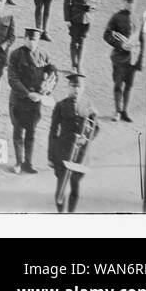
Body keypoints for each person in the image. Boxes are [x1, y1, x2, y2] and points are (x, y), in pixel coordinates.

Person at [47, 71, 99, 213]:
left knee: (75, 187)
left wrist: (86, 138)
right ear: (68, 87)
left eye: (79, 87)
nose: (76, 90)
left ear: (82, 89)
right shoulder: (60, 106)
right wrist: (50, 156)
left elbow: (96, 128)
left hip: (80, 154)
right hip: (62, 152)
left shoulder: (88, 107)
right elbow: (53, 131)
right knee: (60, 188)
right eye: (73, 86)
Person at [7, 27, 52, 174]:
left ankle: (29, 163)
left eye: (35, 39)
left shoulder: (44, 55)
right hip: (19, 100)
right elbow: (13, 79)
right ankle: (19, 162)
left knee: (31, 132)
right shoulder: (15, 55)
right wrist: (27, 93)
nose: (32, 42)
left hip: (35, 102)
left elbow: (52, 74)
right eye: (29, 39)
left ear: (38, 40)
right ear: (25, 38)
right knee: (18, 131)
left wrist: (47, 90)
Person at [104, 0, 144, 122]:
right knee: (118, 84)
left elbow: (142, 41)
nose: (131, 5)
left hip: (133, 59)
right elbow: (107, 34)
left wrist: (140, 61)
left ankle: (125, 111)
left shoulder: (138, 19)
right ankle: (117, 111)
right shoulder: (116, 17)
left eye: (133, 3)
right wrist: (121, 44)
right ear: (124, 2)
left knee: (129, 86)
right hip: (119, 58)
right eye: (128, 2)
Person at [63, 0, 100, 72]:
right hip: (75, 16)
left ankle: (80, 65)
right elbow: (66, 1)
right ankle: (73, 65)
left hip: (88, 16)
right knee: (74, 40)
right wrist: (67, 18)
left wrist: (93, 4)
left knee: (83, 40)